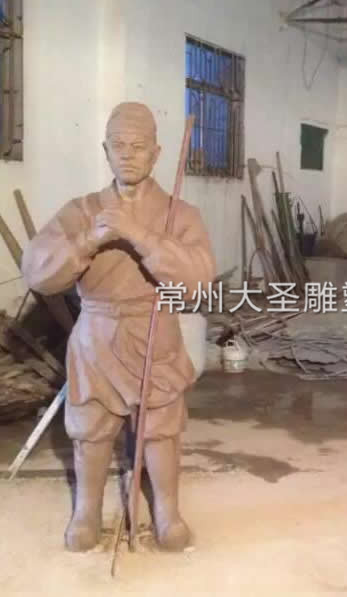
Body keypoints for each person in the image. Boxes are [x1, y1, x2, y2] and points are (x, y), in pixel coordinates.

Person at [22, 102, 217, 552]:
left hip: (155, 328)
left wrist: (140, 236)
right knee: (90, 426)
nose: (128, 154)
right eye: (119, 145)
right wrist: (91, 238)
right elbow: (38, 272)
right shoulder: (82, 210)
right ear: (105, 150)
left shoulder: (181, 214)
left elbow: (198, 281)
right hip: (96, 332)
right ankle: (86, 512)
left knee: (161, 426)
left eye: (139, 146)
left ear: (156, 153)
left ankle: (167, 511)